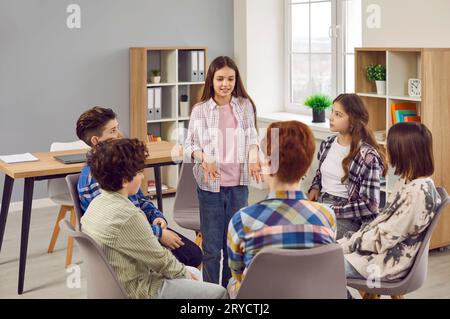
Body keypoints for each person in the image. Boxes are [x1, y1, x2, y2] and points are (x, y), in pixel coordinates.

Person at [81, 138, 227, 298]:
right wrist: (185, 277)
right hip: (139, 289)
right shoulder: (128, 216)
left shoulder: (94, 206)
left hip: (115, 283)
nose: (142, 177)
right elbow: (160, 260)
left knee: (193, 273)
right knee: (219, 292)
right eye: (139, 172)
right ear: (124, 181)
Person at [76, 106, 202, 268]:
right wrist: (158, 234)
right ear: (95, 140)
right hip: (125, 243)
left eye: (118, 128)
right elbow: (116, 226)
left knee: (193, 254)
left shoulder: (117, 163)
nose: (120, 134)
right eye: (113, 130)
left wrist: (157, 217)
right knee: (192, 257)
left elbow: (141, 199)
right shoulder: (95, 178)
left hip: (143, 227)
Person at [226, 120, 337, 298]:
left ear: (268, 165)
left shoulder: (242, 221)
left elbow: (238, 274)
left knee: (231, 284)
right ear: (307, 168)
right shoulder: (327, 216)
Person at [184, 56, 261, 287]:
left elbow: (252, 136)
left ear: (236, 80)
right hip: (210, 187)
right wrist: (204, 156)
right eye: (220, 79)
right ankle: (210, 295)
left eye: (230, 78)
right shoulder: (200, 110)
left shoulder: (244, 105)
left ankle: (229, 292)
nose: (225, 84)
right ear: (211, 80)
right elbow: (189, 146)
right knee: (211, 248)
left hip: (238, 185)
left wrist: (255, 153)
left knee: (234, 247)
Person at [339, 122, 441, 281]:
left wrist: (350, 244)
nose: (386, 148)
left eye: (390, 145)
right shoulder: (405, 181)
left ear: (404, 151)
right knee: (321, 257)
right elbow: (384, 224)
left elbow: (386, 237)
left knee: (321, 266)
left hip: (385, 262)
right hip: (375, 252)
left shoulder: (418, 193)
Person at [308, 93, 387, 239]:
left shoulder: (367, 156)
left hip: (348, 216)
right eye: (332, 111)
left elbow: (370, 205)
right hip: (322, 205)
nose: (331, 117)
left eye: (338, 114)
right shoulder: (327, 143)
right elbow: (320, 173)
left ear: (353, 120)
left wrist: (332, 210)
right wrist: (315, 187)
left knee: (311, 237)